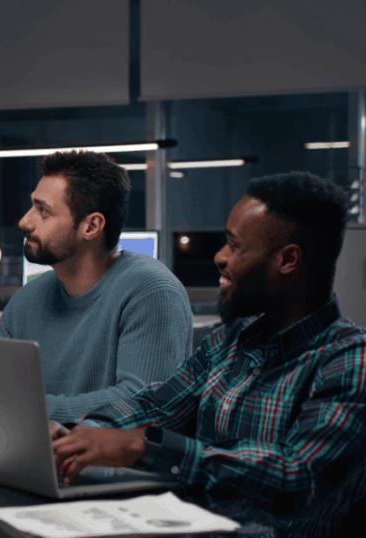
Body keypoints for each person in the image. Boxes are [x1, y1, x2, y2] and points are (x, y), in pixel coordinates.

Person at [51, 172, 366, 536]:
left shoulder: (349, 361)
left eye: (235, 245)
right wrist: (77, 435)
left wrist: (146, 447)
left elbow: (297, 477)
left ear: (288, 260)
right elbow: (156, 406)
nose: (220, 256)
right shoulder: (229, 342)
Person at [0, 151, 193, 424]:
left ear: (91, 226)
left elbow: (141, 406)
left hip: (123, 482)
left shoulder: (152, 291)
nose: (25, 222)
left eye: (43, 211)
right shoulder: (30, 299)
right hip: (37, 463)